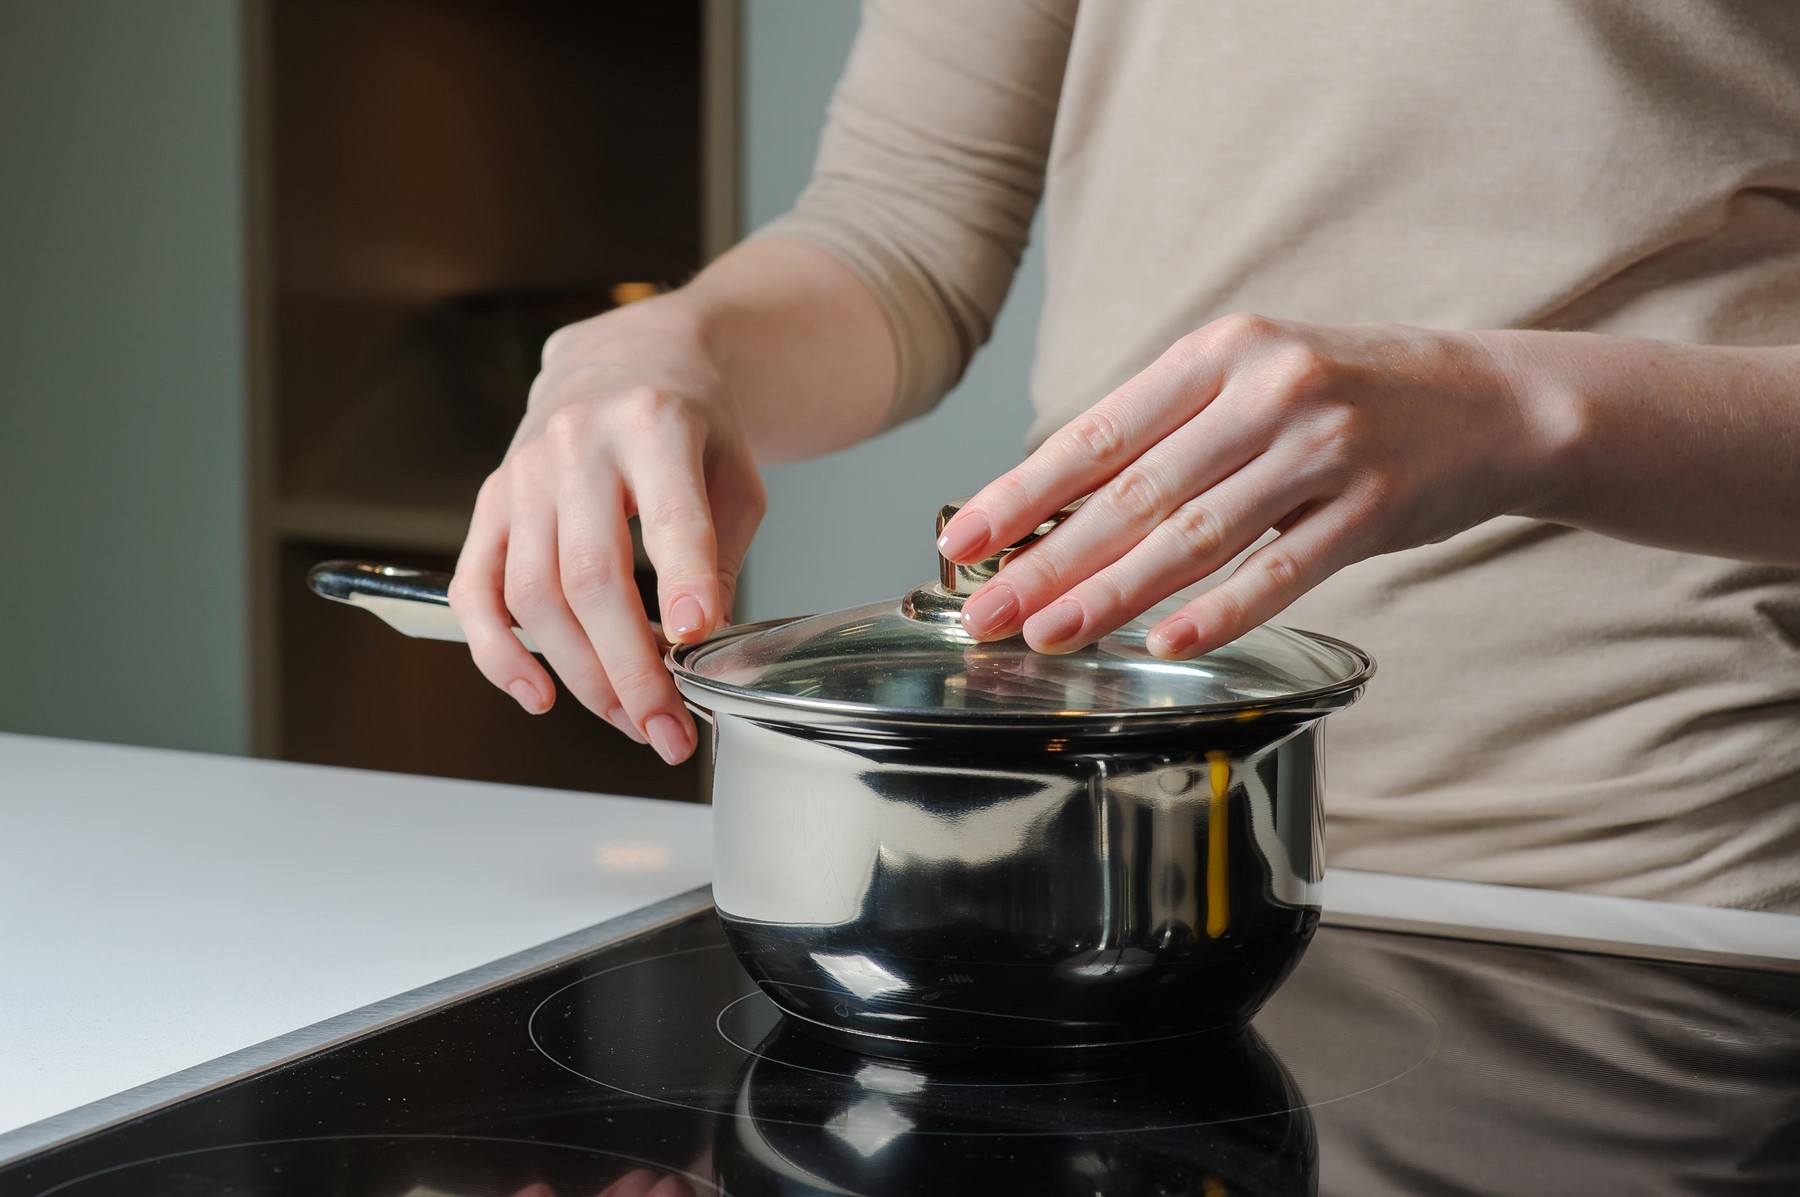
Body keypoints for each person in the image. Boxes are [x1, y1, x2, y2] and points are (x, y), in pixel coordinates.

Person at [449, 2, 1800, 911]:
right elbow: (903, 231)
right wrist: (662, 353)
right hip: (1107, 857)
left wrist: (1513, 406)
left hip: (1633, 884)